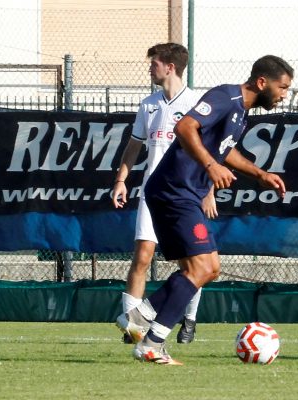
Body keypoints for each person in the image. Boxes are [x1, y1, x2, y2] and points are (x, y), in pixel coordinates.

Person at [117, 55, 293, 365]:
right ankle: (150, 342)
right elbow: (185, 127)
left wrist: (260, 174)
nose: (284, 95)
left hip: (184, 193)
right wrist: (210, 166)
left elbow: (225, 151)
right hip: (174, 191)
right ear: (262, 82)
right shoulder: (226, 97)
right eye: (282, 87)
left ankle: (141, 318)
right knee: (200, 269)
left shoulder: (241, 112)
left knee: (207, 269)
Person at [113, 43, 215, 346]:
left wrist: (208, 192)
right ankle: (133, 328)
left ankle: (189, 320)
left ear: (170, 67)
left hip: (187, 194)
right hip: (153, 192)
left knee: (192, 266)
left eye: (154, 62)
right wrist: (122, 180)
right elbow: (134, 145)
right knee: (142, 256)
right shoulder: (149, 104)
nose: (150, 67)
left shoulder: (199, 104)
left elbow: (211, 152)